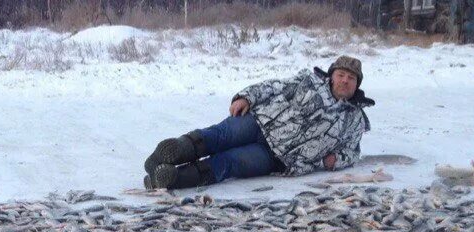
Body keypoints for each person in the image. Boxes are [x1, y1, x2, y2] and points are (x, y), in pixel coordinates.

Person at [143, 56, 375, 190]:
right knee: (218, 136)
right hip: (260, 121)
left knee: (228, 163)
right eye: (341, 75)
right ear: (332, 75)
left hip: (279, 158)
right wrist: (247, 97)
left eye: (351, 78)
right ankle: (164, 156)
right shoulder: (309, 81)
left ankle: (172, 179)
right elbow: (273, 86)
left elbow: (353, 152)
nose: (345, 81)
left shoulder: (355, 120)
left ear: (357, 84)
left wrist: (336, 160)